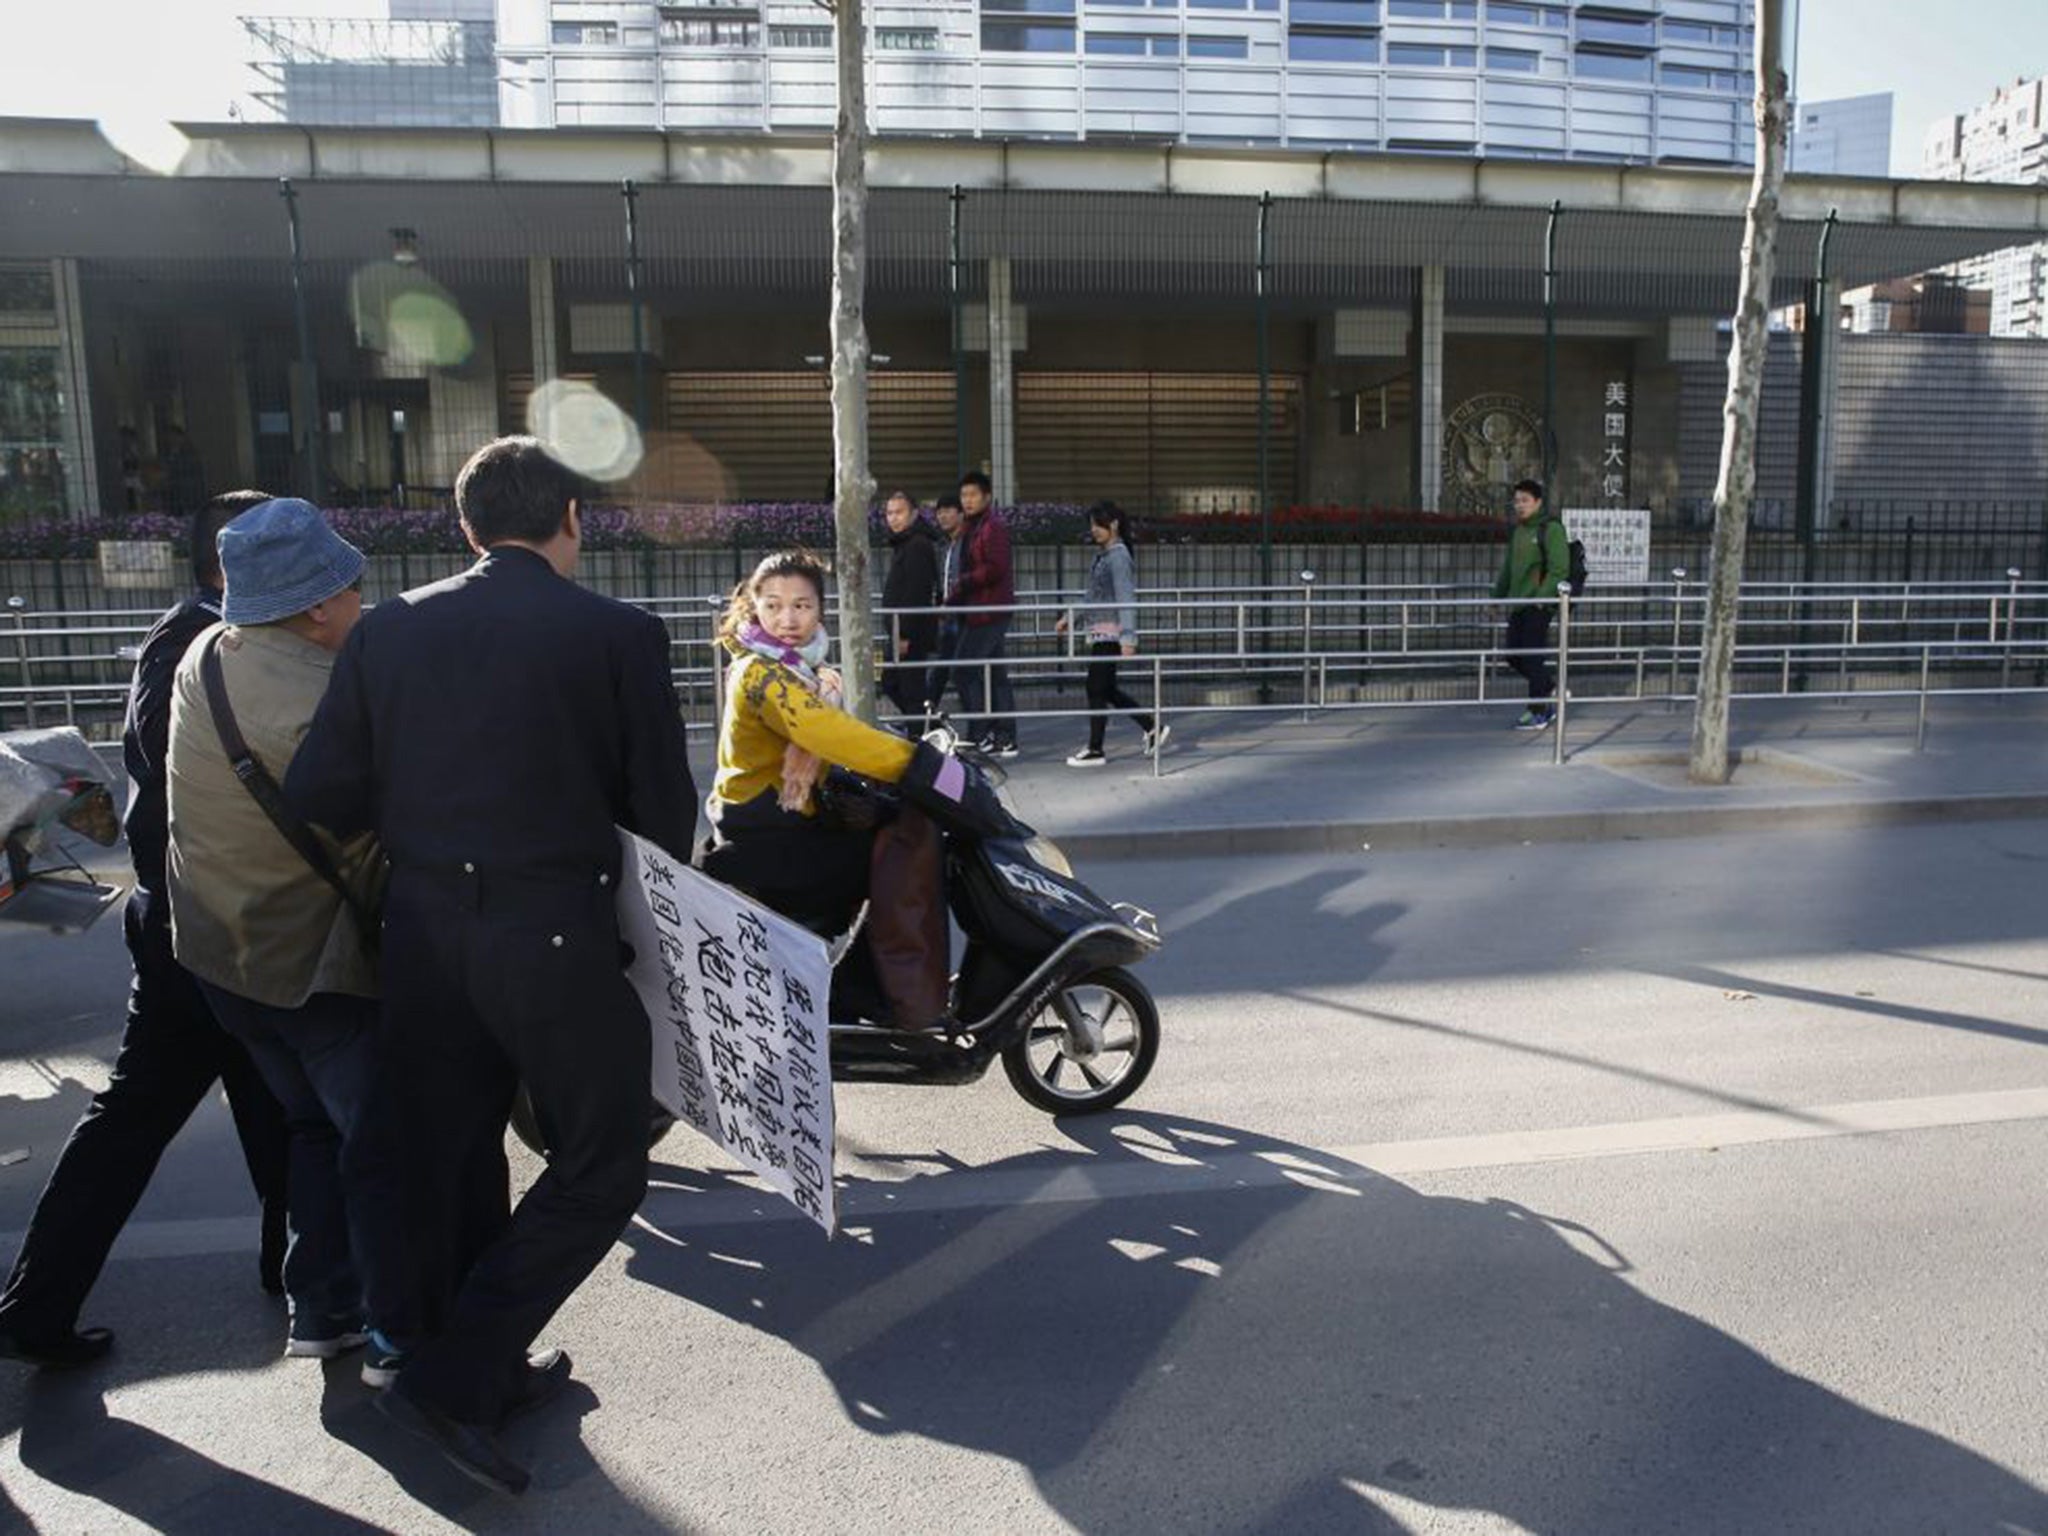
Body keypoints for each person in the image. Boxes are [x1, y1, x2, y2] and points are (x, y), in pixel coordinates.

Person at [284, 435, 697, 1496]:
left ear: (464, 529)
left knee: (451, 1148)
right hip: (552, 927)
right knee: (603, 1160)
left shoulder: (388, 633)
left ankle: (469, 1363)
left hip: (424, 928)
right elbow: (663, 815)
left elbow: (321, 793)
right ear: (572, 521)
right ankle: (454, 1377)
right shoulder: (617, 633)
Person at [0, 492, 290, 1372]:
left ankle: (305, 1271)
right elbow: (180, 802)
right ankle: (35, 1302)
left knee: (272, 1102)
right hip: (197, 932)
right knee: (138, 1117)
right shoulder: (198, 646)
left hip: (203, 925)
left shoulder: (200, 637)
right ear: (234, 565)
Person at [163, 497, 415, 1373]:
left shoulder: (207, 652)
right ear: (316, 606)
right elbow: (401, 819)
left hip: (220, 958)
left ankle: (322, 1311)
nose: (361, 603)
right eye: (352, 588)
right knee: (386, 1148)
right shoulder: (321, 702)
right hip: (314, 972)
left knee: (313, 1132)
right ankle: (398, 1337)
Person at [699, 551, 954, 1029]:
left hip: (785, 816)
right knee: (888, 864)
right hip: (765, 829)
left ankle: (844, 984)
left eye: (802, 606)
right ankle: (859, 994)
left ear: (820, 609)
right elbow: (824, 733)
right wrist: (917, 763)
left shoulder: (806, 669)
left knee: (875, 837)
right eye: (773, 606)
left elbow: (827, 725)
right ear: (754, 608)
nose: (787, 619)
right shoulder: (763, 674)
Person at [1056, 501, 1167, 767]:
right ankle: (1150, 726)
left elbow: (1125, 599)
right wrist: (1071, 617)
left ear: (1114, 524)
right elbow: (1092, 598)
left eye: (1098, 524)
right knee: (1104, 688)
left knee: (1097, 687)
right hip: (1101, 631)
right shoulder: (1105, 556)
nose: (1094, 530)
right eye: (1092, 525)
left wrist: (1128, 638)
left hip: (1111, 633)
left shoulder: (1118, 557)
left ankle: (1097, 749)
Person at [947, 470, 1019, 758]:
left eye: (973, 494)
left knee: (963, 671)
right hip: (979, 610)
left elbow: (995, 567)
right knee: (996, 675)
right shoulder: (973, 527)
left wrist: (964, 583)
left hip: (989, 611)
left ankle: (982, 733)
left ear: (986, 497)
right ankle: (1004, 736)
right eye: (964, 495)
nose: (968, 500)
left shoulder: (991, 528)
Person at [1490, 478, 1571, 731]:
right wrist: (1496, 598)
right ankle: (1547, 687)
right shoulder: (1519, 532)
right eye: (1516, 501)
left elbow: (1560, 569)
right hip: (1519, 603)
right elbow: (1508, 570)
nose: (1519, 505)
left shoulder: (1551, 529)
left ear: (1538, 502)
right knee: (1514, 655)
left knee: (1533, 657)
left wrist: (1541, 598)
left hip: (1539, 605)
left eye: (1525, 500)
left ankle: (1539, 711)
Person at [880, 490, 941, 721]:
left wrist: (904, 633)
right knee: (894, 683)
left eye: (899, 512)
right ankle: (925, 728)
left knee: (909, 687)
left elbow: (917, 592)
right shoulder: (906, 543)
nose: (893, 518)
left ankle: (924, 731)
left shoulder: (917, 545)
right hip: (899, 628)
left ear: (914, 514)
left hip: (908, 631)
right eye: (889, 513)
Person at [928, 493, 968, 722]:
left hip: (963, 616)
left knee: (959, 670)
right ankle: (927, 713)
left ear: (960, 514)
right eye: (939, 511)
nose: (941, 516)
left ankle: (982, 724)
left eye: (947, 511)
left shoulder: (966, 544)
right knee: (944, 667)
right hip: (948, 615)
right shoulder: (945, 546)